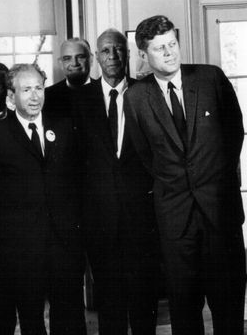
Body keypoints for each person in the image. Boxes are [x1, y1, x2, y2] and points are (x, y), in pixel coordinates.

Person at [124, 15, 246, 335]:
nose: (169, 53)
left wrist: (214, 179)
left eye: (172, 45)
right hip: (175, 217)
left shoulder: (210, 79)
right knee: (184, 307)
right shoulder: (136, 98)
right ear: (143, 55)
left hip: (220, 211)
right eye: (159, 48)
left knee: (228, 304)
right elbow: (144, 153)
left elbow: (234, 133)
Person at [0, 63, 85, 335]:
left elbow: (76, 185)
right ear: (12, 96)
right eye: (26, 89)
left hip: (65, 245)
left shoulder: (63, 129)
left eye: (39, 87)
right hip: (22, 250)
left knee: (71, 317)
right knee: (31, 319)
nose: (35, 95)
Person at [73, 29, 160, 335]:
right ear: (96, 57)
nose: (113, 57)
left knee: (143, 297)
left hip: (142, 217)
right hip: (99, 220)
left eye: (119, 50)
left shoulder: (147, 93)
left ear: (128, 54)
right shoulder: (79, 100)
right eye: (106, 51)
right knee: (108, 301)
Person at [44, 38, 92, 117]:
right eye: (67, 58)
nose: (74, 63)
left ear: (91, 60)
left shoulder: (104, 91)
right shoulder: (47, 96)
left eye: (80, 57)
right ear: (60, 63)